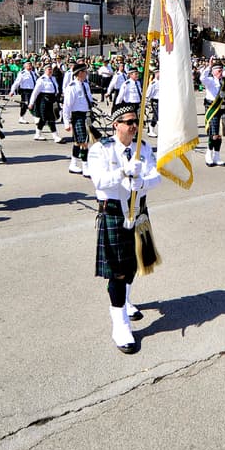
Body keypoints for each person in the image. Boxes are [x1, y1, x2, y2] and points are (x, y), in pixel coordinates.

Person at [88, 101, 161, 353]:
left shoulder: (143, 148)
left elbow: (156, 175)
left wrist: (142, 183)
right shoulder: (101, 149)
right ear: (115, 125)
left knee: (133, 265)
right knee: (117, 272)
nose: (134, 127)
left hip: (138, 211)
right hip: (113, 212)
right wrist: (123, 172)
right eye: (129, 122)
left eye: (136, 122)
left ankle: (126, 301)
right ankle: (119, 324)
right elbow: (99, 181)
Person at [62, 63, 97, 174]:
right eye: (85, 71)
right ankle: (85, 166)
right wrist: (66, 122)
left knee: (78, 142)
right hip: (77, 116)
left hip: (86, 115)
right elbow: (67, 106)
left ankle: (73, 164)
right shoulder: (72, 87)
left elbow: (89, 98)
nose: (87, 73)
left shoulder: (85, 85)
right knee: (84, 142)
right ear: (80, 73)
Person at [29, 63, 63, 142]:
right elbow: (35, 92)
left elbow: (56, 88)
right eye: (48, 69)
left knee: (44, 119)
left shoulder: (53, 78)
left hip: (52, 99)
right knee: (49, 118)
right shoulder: (41, 79)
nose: (50, 71)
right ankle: (55, 136)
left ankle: (37, 134)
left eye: (51, 69)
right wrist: (31, 103)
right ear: (45, 70)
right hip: (44, 100)